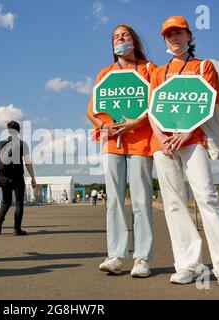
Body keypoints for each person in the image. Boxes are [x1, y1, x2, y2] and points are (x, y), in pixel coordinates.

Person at [148, 16, 219, 292]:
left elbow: (209, 103)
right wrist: (162, 138)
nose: (174, 38)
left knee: (207, 198)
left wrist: (185, 131)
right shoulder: (158, 72)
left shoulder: (203, 67)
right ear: (164, 40)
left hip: (194, 141)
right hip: (163, 145)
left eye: (178, 33)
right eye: (168, 35)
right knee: (173, 204)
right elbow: (153, 109)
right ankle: (188, 265)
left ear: (189, 36)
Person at [86, 24, 157, 277]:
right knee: (114, 200)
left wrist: (135, 123)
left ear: (134, 40)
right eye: (116, 36)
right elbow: (90, 110)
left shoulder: (150, 69)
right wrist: (105, 125)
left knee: (140, 199)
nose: (120, 39)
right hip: (111, 142)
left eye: (125, 35)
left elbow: (157, 104)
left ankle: (142, 258)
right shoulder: (105, 72)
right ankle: (116, 255)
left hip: (141, 141)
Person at [0, 121, 37, 236]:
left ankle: (0, 218)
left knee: (6, 201)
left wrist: (0, 177)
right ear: (18, 131)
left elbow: (0, 162)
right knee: (19, 202)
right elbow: (28, 162)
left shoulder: (1, 144)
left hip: (4, 177)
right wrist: (33, 178)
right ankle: (17, 229)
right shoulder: (22, 144)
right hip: (17, 177)